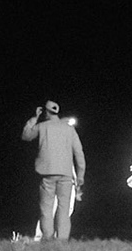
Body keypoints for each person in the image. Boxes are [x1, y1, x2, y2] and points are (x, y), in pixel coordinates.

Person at [21, 101, 85, 240]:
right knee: (63, 209)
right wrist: (80, 175)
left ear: (45, 112)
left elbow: (26, 135)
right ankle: (62, 240)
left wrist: (34, 118)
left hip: (47, 174)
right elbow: (79, 152)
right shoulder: (69, 129)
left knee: (47, 209)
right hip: (66, 175)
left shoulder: (42, 126)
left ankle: (47, 238)